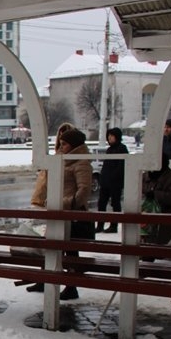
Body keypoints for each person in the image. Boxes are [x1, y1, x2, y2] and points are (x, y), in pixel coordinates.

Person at [27, 128, 93, 300]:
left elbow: (84, 190)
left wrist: (66, 203)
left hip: (71, 214)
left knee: (70, 251)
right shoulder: (62, 159)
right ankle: (44, 279)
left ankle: (71, 286)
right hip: (57, 212)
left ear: (74, 145)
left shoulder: (81, 163)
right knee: (50, 246)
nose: (61, 146)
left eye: (64, 144)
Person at [141, 153, 171, 247]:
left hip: (166, 214)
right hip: (145, 213)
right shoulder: (144, 176)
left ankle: (151, 250)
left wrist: (155, 194)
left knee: (155, 231)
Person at [96, 127, 127, 233]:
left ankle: (114, 226)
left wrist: (114, 177)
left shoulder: (122, 148)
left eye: (112, 136)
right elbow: (106, 166)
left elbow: (122, 166)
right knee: (101, 204)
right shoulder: (109, 150)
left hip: (115, 182)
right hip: (105, 182)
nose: (109, 138)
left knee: (115, 204)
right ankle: (100, 225)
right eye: (108, 136)